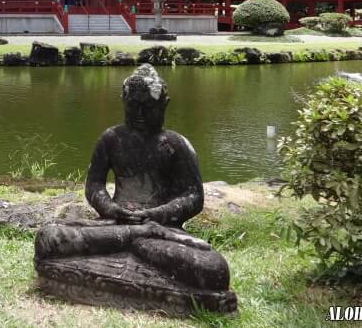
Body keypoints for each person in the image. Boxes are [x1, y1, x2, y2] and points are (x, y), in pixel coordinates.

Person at [35, 65, 231, 294]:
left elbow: (194, 197)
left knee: (213, 269)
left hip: (162, 230)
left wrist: (156, 214)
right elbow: (95, 186)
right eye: (133, 106)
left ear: (163, 104)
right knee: (47, 237)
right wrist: (110, 208)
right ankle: (135, 238)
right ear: (123, 102)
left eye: (147, 107)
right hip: (114, 226)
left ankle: (135, 242)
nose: (139, 114)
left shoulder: (175, 145)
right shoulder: (111, 139)